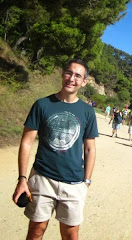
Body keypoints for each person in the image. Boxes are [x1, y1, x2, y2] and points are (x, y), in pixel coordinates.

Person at [12, 59, 99, 240]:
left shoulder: (87, 111)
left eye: (77, 76)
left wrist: (87, 182)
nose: (71, 78)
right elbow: (26, 142)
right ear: (62, 74)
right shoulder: (42, 105)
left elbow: (90, 148)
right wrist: (22, 179)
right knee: (36, 230)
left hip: (74, 183)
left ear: (84, 82)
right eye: (68, 73)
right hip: (42, 178)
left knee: (70, 235)